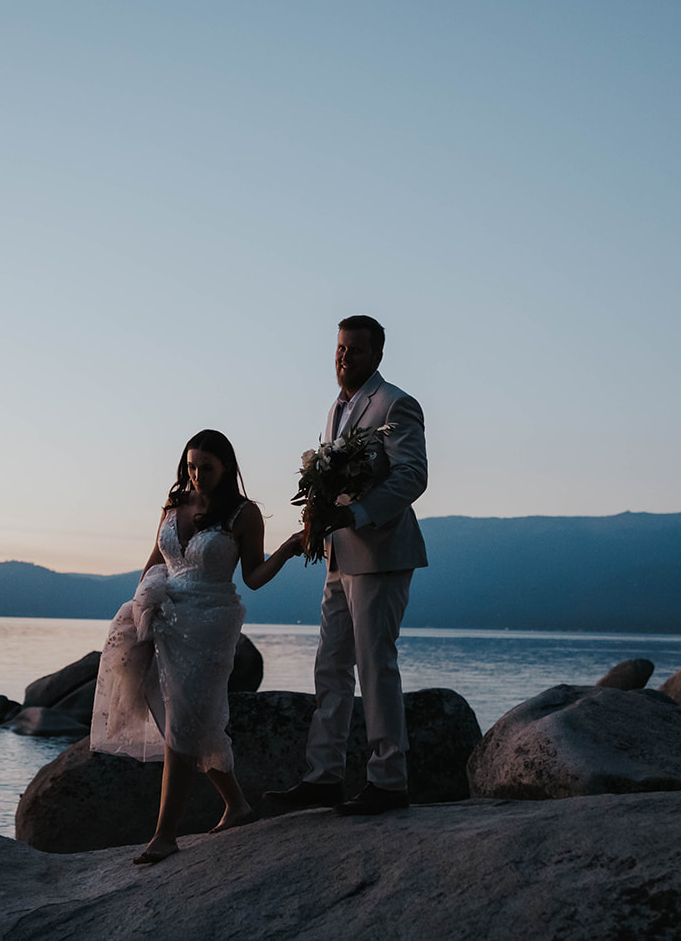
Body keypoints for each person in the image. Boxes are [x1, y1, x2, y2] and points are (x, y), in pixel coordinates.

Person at [91, 429, 303, 865]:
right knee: (191, 720)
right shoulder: (173, 507)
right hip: (165, 619)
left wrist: (288, 549)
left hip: (210, 623)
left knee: (184, 722)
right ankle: (238, 805)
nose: (197, 475)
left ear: (226, 468)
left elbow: (253, 576)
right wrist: (141, 607)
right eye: (190, 466)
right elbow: (155, 561)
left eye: (206, 467)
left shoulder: (244, 514)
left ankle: (165, 835)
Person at [265, 315, 428, 816]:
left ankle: (388, 780)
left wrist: (354, 514)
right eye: (339, 348)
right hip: (338, 554)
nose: (344, 357)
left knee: (375, 666)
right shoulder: (337, 409)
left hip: (380, 554)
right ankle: (323, 775)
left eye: (355, 350)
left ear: (377, 355)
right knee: (331, 665)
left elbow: (412, 476)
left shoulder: (396, 403)